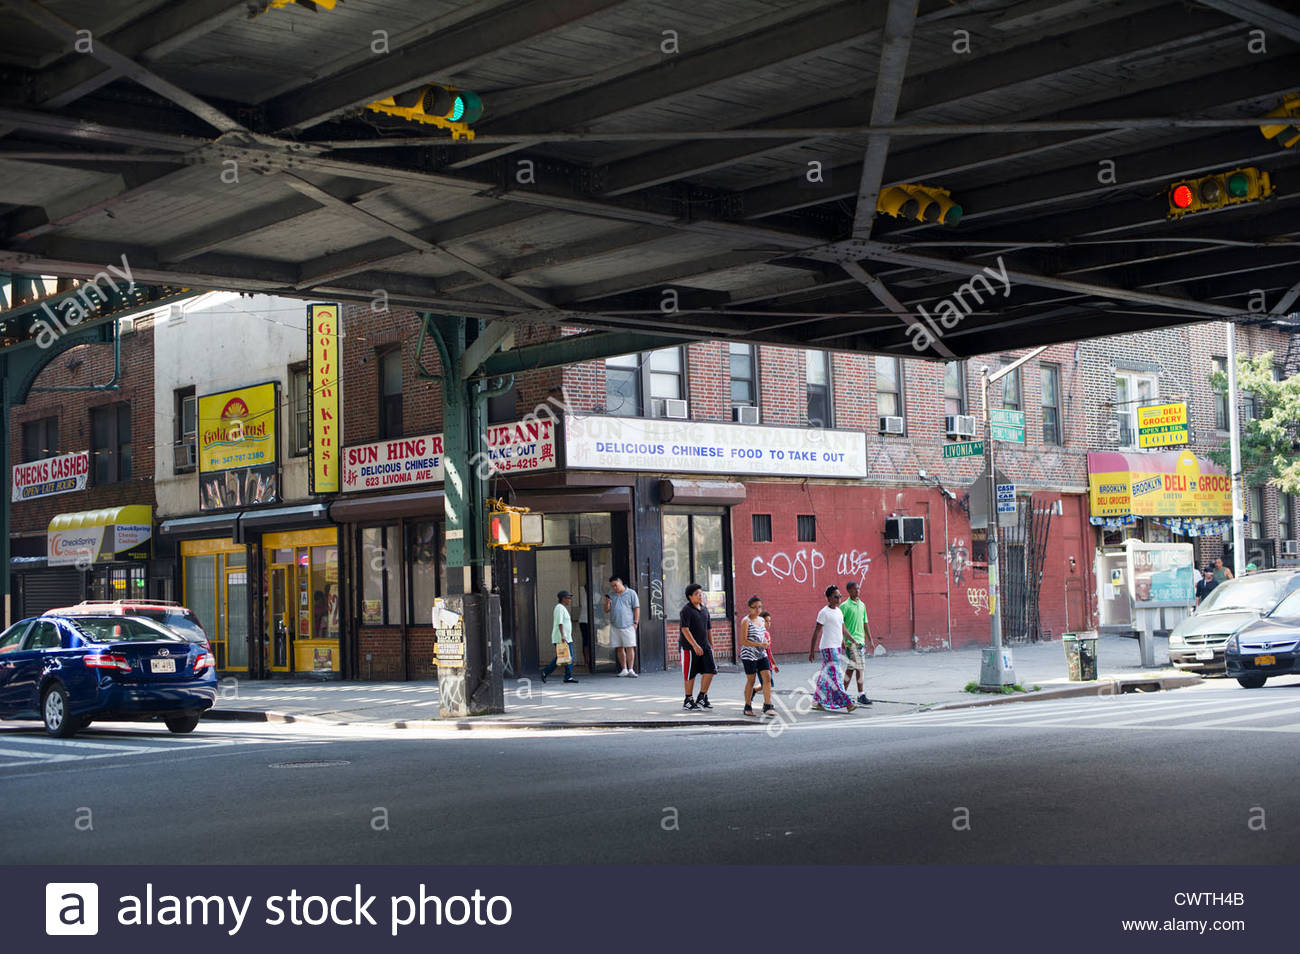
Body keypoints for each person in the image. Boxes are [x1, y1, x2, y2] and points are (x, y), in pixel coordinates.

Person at [808, 584, 856, 712]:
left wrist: (849, 641)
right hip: (828, 648)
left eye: (840, 596)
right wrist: (811, 651)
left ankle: (816, 701)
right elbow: (816, 632)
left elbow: (842, 629)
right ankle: (847, 703)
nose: (839, 599)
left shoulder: (839, 611)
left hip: (836, 647)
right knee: (836, 676)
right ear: (829, 598)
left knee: (824, 675)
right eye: (836, 597)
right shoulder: (824, 612)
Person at [679, 583, 716, 710]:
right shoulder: (686, 610)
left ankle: (702, 696)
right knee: (691, 673)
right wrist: (694, 645)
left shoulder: (704, 609)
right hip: (690, 648)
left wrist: (711, 645)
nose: (700, 596)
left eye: (701, 593)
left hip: (705, 646)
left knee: (710, 670)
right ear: (690, 597)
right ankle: (688, 699)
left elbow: (709, 628)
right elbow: (685, 629)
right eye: (696, 594)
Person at [839, 580, 873, 706]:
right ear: (849, 591)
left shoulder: (862, 605)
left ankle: (846, 694)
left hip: (861, 642)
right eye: (854, 589)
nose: (857, 591)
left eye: (858, 588)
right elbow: (840, 625)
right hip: (851, 642)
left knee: (854, 668)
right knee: (857, 668)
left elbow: (865, 623)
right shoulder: (844, 606)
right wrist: (842, 640)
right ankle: (858, 695)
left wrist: (870, 640)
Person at [739, 596, 774, 717]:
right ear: (749, 608)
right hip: (749, 654)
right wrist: (760, 644)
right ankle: (747, 706)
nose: (758, 610)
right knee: (751, 680)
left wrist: (765, 643)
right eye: (755, 608)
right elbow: (743, 641)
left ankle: (768, 705)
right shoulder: (745, 621)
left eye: (760, 607)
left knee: (767, 677)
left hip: (761, 653)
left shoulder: (762, 620)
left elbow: (762, 635)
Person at [603, 575, 640, 677]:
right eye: (612, 586)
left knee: (629, 647)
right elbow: (606, 610)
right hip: (615, 624)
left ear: (621, 582)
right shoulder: (611, 594)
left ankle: (631, 669)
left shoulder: (631, 593)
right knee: (619, 647)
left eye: (616, 585)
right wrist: (607, 602)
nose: (614, 588)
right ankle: (624, 669)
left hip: (628, 624)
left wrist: (636, 622)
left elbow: (636, 608)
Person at [540, 590, 579, 684]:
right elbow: (560, 623)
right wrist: (563, 635)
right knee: (566, 657)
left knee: (563, 657)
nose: (570, 600)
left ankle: (566, 676)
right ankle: (546, 672)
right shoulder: (559, 608)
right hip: (561, 638)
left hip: (565, 637)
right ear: (563, 599)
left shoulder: (562, 608)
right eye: (568, 598)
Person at [760, 610, 778, 687]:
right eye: (766, 621)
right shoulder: (759, 634)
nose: (768, 623)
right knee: (768, 685)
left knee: (768, 685)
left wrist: (774, 664)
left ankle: (754, 690)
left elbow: (769, 651)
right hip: (762, 664)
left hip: (768, 664)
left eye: (769, 621)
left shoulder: (767, 634)